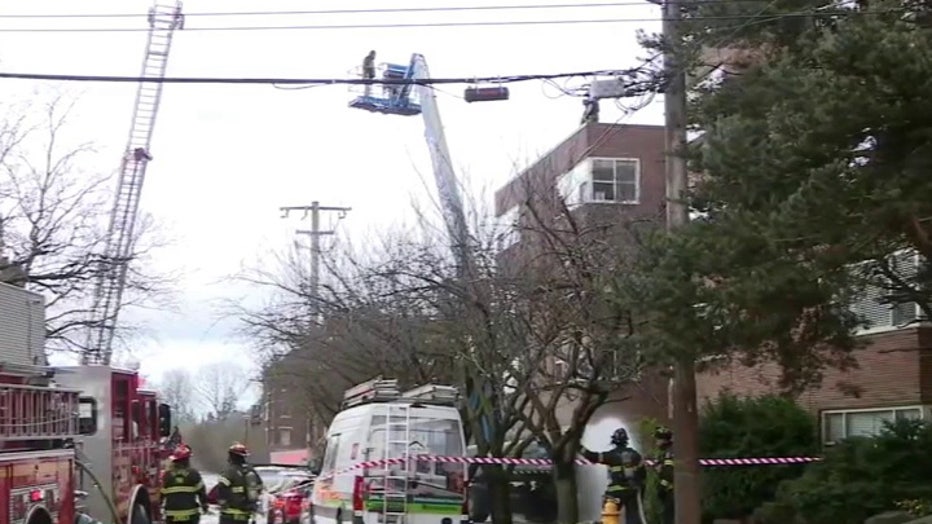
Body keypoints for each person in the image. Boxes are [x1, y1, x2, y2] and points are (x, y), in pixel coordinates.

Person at [579, 428, 647, 524]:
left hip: (615, 493)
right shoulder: (636, 455)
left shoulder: (611, 455)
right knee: (634, 519)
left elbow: (593, 457)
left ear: (614, 441)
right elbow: (643, 475)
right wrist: (640, 490)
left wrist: (578, 447)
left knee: (608, 516)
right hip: (631, 492)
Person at [214, 442, 264, 524]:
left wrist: (222, 502)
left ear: (232, 456)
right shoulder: (251, 471)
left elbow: (221, 487)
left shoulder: (230, 471)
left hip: (229, 515)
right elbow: (259, 487)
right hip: (245, 516)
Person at [161, 444, 209, 524]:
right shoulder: (194, 474)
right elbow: (202, 492)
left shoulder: (167, 475)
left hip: (171, 516)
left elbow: (161, 494)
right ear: (187, 460)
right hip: (190, 515)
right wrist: (204, 506)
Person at [653, 426, 674, 524]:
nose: (656, 442)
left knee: (668, 518)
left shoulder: (668, 453)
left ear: (663, 440)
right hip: (672, 491)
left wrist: (662, 487)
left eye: (657, 439)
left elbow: (669, 473)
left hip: (671, 492)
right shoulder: (668, 451)